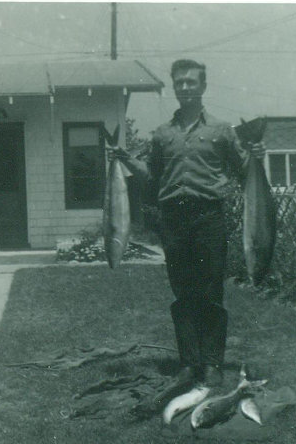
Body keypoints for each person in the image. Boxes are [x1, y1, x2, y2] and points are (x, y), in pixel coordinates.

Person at [111, 59, 265, 408]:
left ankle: (211, 365)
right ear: (175, 88)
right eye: (179, 83)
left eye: (191, 82)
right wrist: (123, 158)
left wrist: (257, 155)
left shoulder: (223, 131)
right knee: (182, 292)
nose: (185, 87)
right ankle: (188, 363)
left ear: (203, 86)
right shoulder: (163, 134)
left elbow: (245, 171)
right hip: (174, 219)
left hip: (209, 216)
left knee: (210, 291)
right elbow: (152, 175)